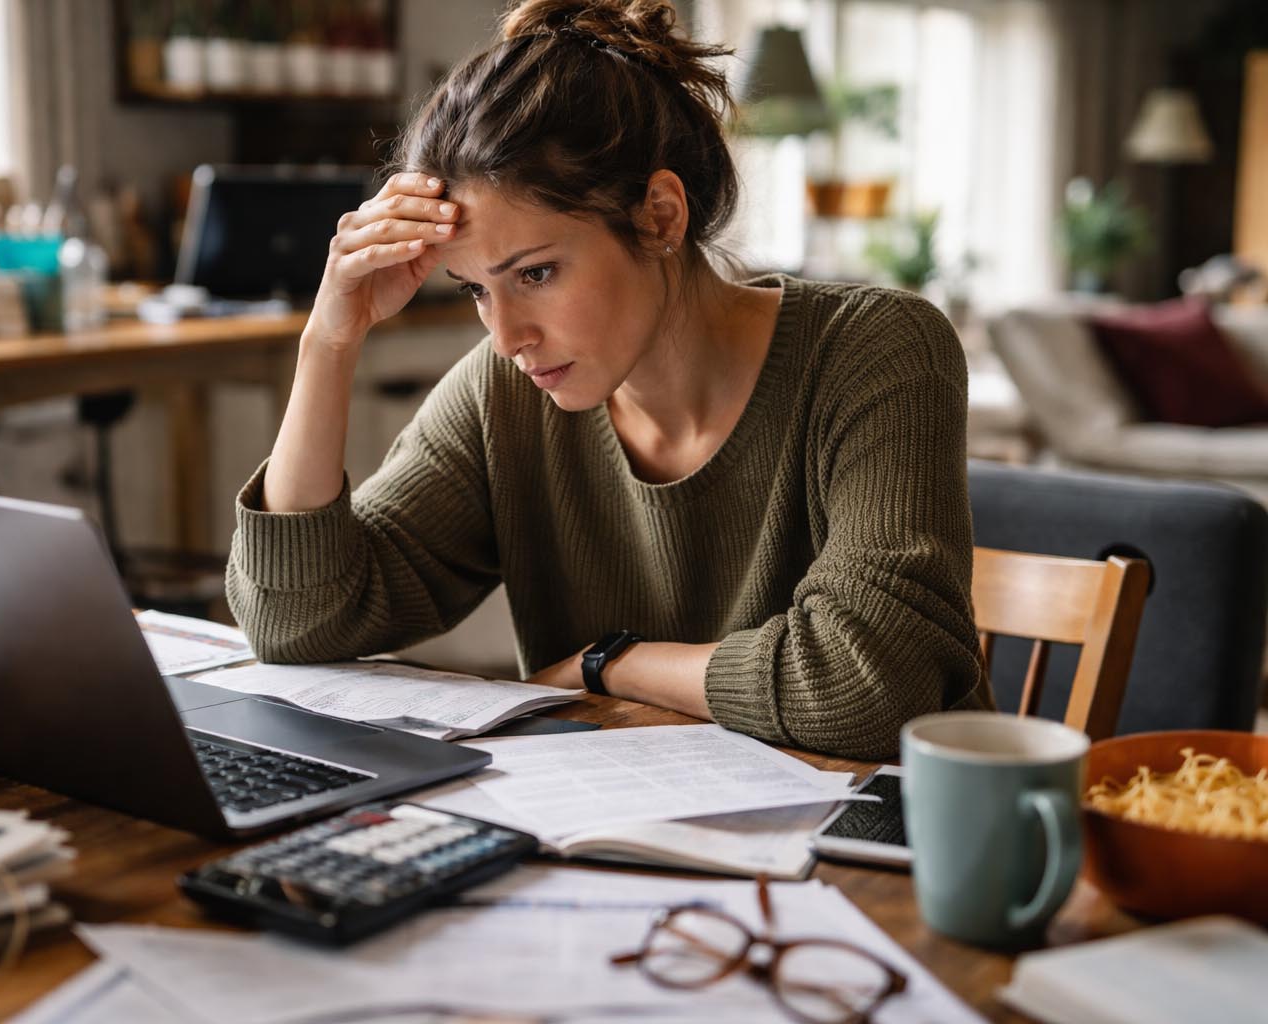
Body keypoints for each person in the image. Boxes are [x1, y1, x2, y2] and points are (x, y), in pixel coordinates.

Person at [225, 0, 992, 759]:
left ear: (660, 216)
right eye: (476, 289)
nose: (508, 336)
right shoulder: (506, 395)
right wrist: (329, 340)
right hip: (623, 840)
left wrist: (609, 663)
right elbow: (297, 623)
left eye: (536, 272)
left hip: (880, 857)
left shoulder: (875, 350)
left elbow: (866, 686)